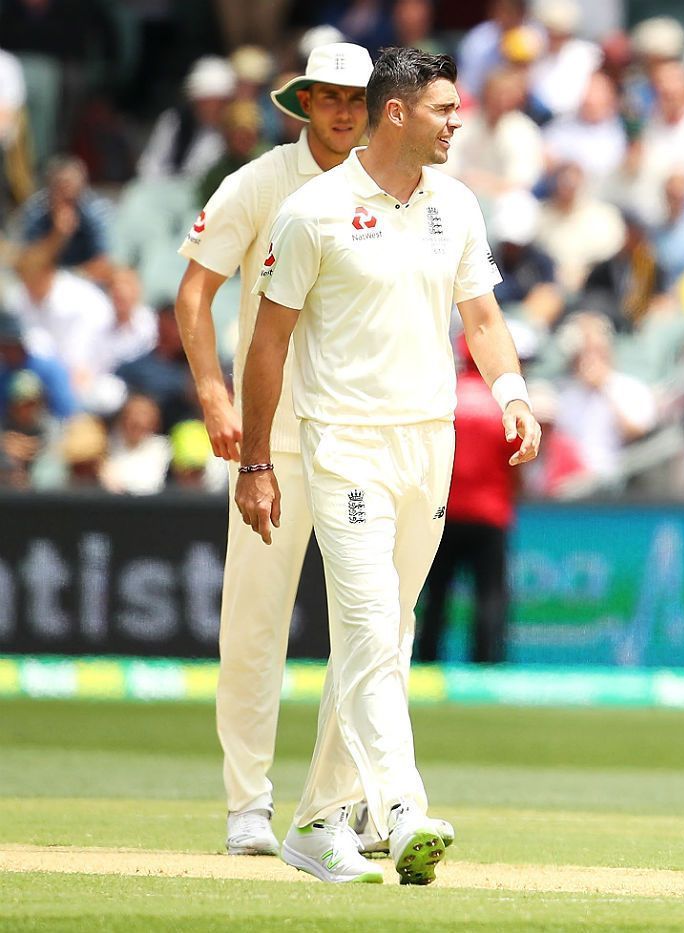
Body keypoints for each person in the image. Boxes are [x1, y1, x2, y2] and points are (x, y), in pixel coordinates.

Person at [235, 47, 540, 886]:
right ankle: (400, 809)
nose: (458, 123)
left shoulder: (457, 205)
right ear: (398, 112)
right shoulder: (313, 211)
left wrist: (511, 393)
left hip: (428, 443)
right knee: (369, 629)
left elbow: (480, 315)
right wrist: (256, 460)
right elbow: (268, 343)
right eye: (445, 110)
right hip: (343, 442)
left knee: (388, 636)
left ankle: (315, 823)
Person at [173, 42, 375, 859]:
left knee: (368, 629)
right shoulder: (258, 183)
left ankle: (350, 800)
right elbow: (195, 291)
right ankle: (246, 805)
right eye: (327, 97)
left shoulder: (392, 188)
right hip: (277, 443)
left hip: (362, 440)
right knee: (255, 626)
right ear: (301, 104)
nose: (342, 112)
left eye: (355, 99)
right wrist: (216, 395)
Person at [418, 339, 519, 664]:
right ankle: (487, 663)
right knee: (489, 594)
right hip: (490, 513)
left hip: (444, 512)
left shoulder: (446, 397)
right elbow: (516, 461)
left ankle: (427, 662)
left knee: (436, 594)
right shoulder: (502, 406)